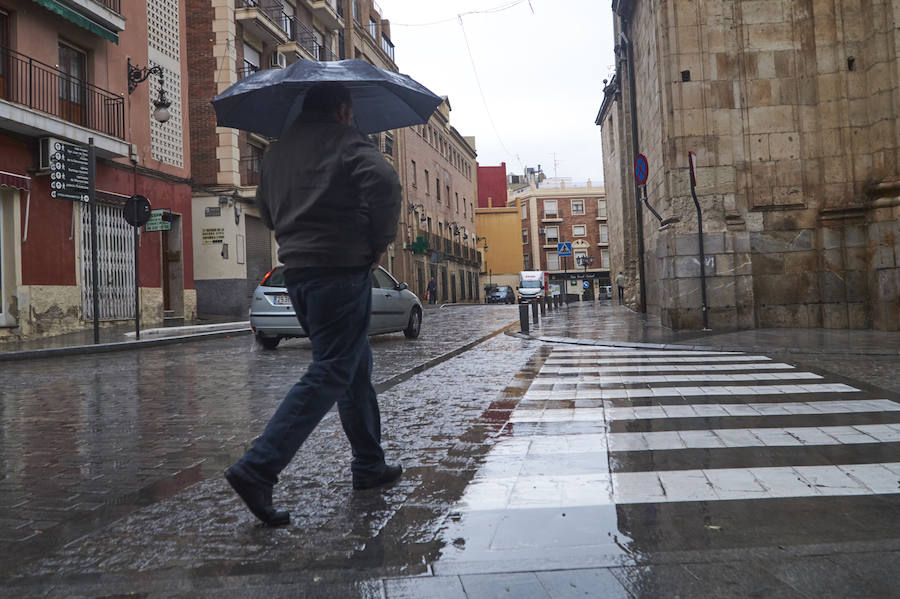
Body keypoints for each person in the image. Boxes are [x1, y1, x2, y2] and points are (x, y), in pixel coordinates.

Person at [224, 82, 403, 527]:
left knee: (352, 366)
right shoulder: (346, 142)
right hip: (340, 270)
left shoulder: (277, 154)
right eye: (351, 110)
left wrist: (294, 233)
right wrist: (376, 240)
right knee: (331, 368)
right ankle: (258, 467)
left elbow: (265, 208)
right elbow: (384, 182)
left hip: (299, 273)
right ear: (343, 110)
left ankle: (368, 465)